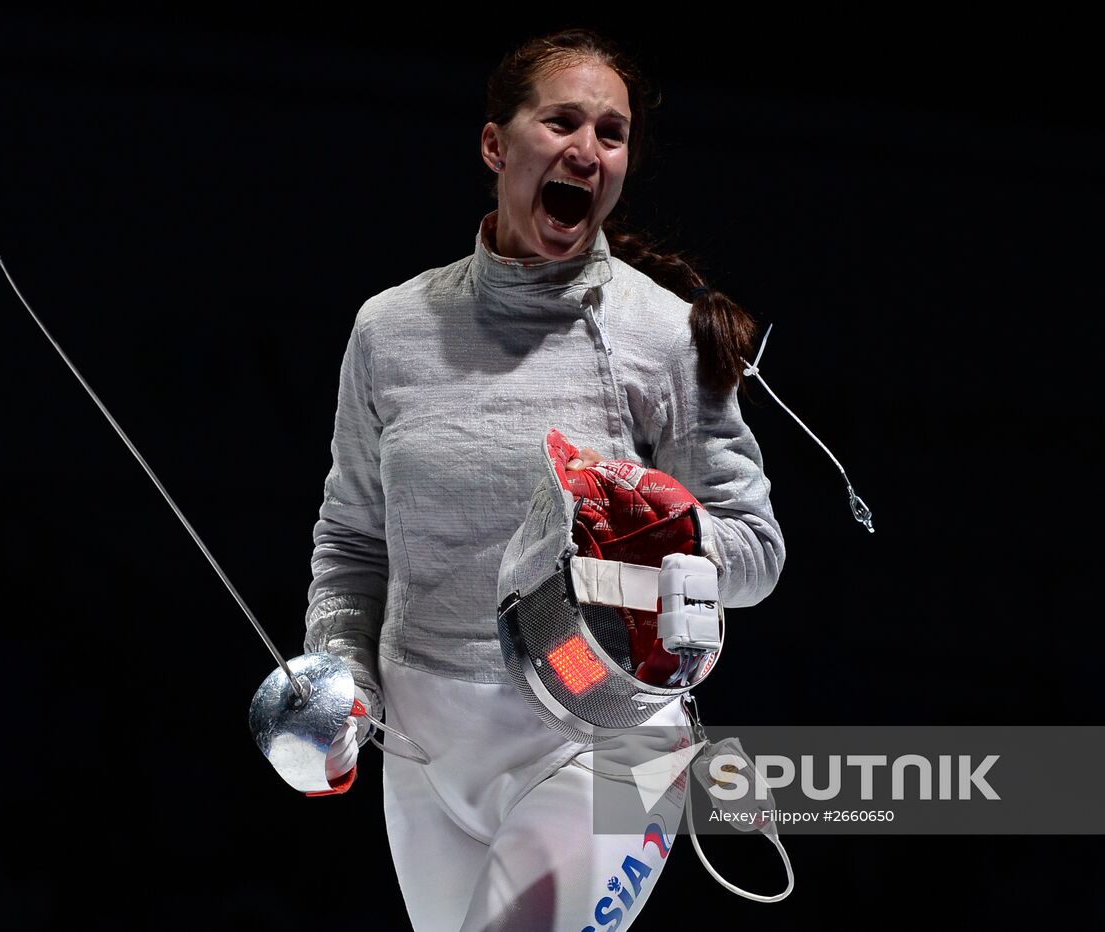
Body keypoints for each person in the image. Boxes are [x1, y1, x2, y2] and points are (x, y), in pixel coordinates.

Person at [304, 29, 784, 931]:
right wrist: (340, 680)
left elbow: (755, 552)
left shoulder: (665, 335)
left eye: (611, 133)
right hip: (424, 744)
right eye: (562, 121)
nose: (587, 149)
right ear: (497, 145)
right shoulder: (390, 330)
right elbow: (353, 544)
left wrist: (669, 530)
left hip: (612, 739)